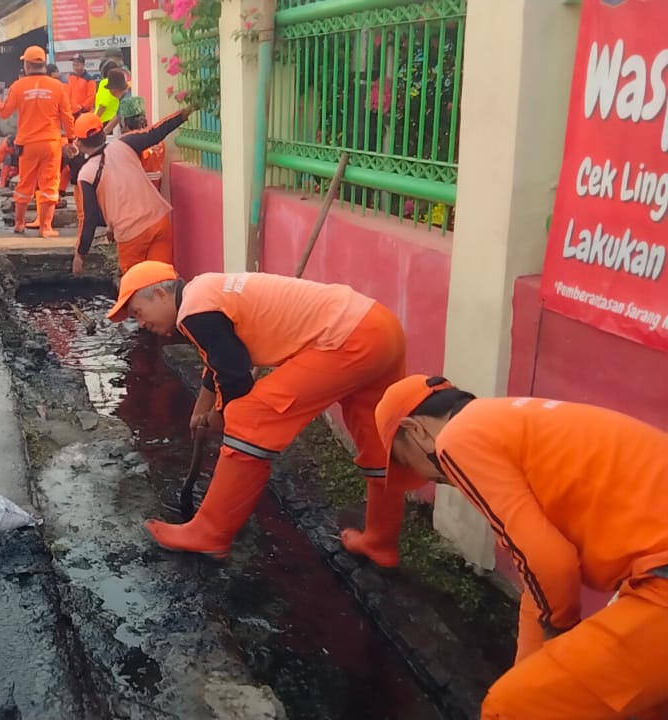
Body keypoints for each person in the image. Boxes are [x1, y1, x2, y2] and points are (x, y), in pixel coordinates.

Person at [374, 376, 668, 719]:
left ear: (415, 430)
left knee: (511, 707)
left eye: (405, 459)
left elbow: (549, 563)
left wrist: (558, 633)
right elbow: (537, 574)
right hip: (652, 577)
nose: (426, 477)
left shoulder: (456, 440)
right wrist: (532, 666)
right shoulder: (507, 423)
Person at [106, 262, 412, 567]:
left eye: (137, 313)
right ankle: (380, 541)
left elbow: (236, 378)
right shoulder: (204, 293)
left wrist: (223, 416)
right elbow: (218, 362)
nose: (140, 324)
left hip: (348, 340)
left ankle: (209, 532)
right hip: (379, 327)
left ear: (160, 293)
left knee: (249, 416)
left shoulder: (194, 312)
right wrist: (204, 407)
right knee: (378, 443)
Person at [71, 108, 188, 274]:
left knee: (135, 290)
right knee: (161, 281)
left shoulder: (86, 174)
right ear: (103, 135)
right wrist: (185, 113)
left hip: (131, 236)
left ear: (79, 143)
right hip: (158, 223)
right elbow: (156, 132)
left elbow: (89, 218)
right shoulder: (125, 144)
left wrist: (80, 254)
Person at [0, 45, 76, 237]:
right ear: (43, 63)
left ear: (26, 65)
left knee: (25, 185)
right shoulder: (58, 87)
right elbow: (67, 117)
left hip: (26, 144)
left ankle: (19, 224)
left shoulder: (18, 87)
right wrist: (71, 140)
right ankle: (46, 227)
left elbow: (3, 112)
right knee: (49, 185)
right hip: (51, 144)